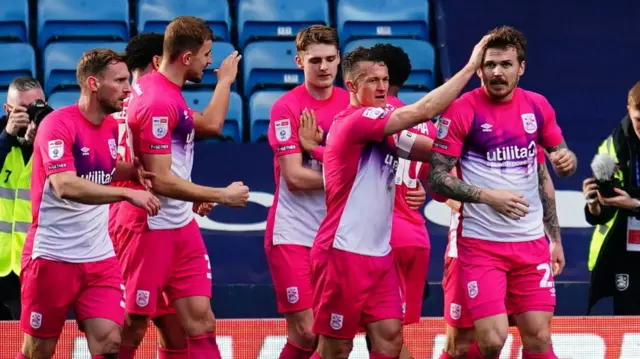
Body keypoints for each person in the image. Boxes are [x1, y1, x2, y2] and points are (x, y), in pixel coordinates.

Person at [308, 35, 490, 358]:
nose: (381, 87)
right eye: (371, 80)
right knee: (336, 349)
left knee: (390, 340)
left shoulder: (385, 131)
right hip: (342, 253)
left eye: (385, 80)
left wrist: (488, 145)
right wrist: (472, 68)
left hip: (380, 256)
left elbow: (437, 152)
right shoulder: (356, 121)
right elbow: (423, 110)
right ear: (350, 86)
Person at [428, 26, 576, 359]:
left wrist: (556, 237)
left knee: (539, 337)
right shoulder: (462, 110)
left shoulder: (537, 107)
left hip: (530, 244)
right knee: (491, 341)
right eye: (490, 64)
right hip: (481, 247)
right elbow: (436, 179)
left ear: (520, 67)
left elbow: (550, 171)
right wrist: (487, 196)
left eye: (506, 64)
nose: (497, 72)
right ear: (479, 68)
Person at [113, 16, 249, 359]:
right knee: (133, 322)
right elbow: (158, 179)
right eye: (206, 54)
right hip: (147, 225)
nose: (209, 61)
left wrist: (191, 198)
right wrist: (219, 195)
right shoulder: (157, 101)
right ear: (185, 58)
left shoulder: (167, 95)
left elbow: (209, 126)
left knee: (200, 321)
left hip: (179, 224)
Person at [16, 48, 161, 359]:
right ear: (94, 83)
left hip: (99, 258)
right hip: (52, 257)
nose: (128, 88)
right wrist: (126, 193)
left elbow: (100, 169)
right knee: (38, 352)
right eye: (120, 81)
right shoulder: (57, 125)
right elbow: (65, 184)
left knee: (110, 345)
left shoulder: (111, 127)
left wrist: (133, 172)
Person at [265, 25, 349, 359]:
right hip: (293, 231)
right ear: (299, 61)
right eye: (316, 60)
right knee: (306, 331)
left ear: (340, 59)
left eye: (330, 59)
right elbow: (295, 177)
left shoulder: (350, 104)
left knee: (329, 337)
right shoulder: (285, 108)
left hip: (339, 235)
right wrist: (347, 177)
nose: (324, 67)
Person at [440, 146, 562, 359]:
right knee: (465, 344)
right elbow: (440, 182)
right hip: (472, 248)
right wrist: (486, 205)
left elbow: (542, 180)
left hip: (526, 248)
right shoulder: (463, 117)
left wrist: (555, 239)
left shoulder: (529, 119)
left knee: (540, 336)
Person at [368, 43, 434, 359]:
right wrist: (420, 188)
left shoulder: (375, 117)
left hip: (381, 237)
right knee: (391, 337)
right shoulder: (426, 124)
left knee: (376, 337)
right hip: (416, 237)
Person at [585, 80, 640, 315]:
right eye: (639, 120)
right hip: (626, 252)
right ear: (629, 108)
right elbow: (602, 214)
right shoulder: (612, 147)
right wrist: (594, 203)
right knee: (628, 324)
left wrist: (636, 204)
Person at [0, 77, 46, 321]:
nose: (30, 116)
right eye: (21, 110)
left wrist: (39, 141)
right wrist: (7, 137)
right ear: (7, 110)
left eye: (35, 107)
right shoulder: (1, 138)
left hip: (33, 264)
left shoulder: (56, 137)